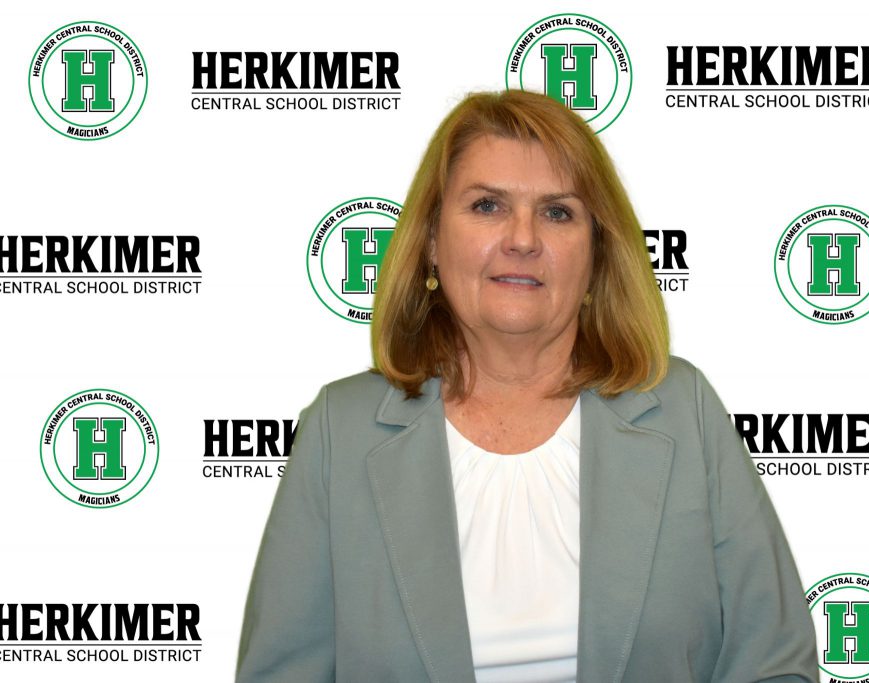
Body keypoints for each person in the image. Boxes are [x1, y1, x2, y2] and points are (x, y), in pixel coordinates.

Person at [237, 90, 818, 682]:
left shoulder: (682, 409)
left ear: (596, 253)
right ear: (433, 243)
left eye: (558, 212)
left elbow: (774, 663)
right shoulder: (342, 430)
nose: (522, 238)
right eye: (488, 206)